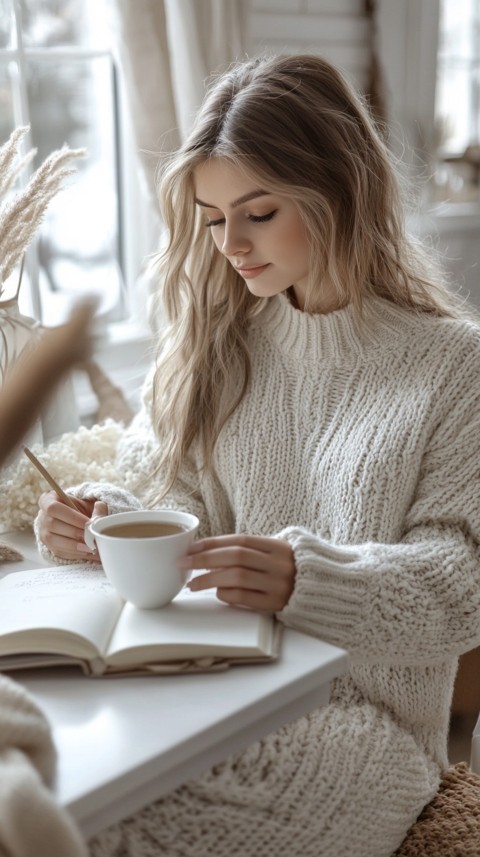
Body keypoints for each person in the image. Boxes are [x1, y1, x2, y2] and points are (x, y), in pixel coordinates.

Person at [35, 54, 480, 857]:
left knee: (132, 834)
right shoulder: (212, 339)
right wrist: (107, 520)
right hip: (203, 687)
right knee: (62, 800)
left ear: (339, 192)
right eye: (211, 217)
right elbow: (180, 500)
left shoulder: (452, 364)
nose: (231, 244)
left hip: (366, 721)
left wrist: (312, 581)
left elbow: (462, 579)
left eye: (260, 211)